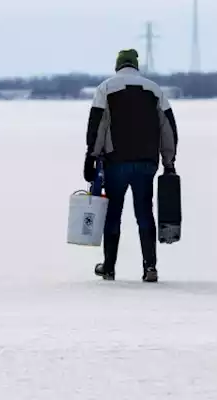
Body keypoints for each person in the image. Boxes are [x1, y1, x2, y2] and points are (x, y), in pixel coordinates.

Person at [83, 49, 179, 283]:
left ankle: (109, 267)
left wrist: (91, 155)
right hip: (147, 162)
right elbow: (168, 129)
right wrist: (169, 163)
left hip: (116, 161)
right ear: (136, 66)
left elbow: (98, 124)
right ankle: (150, 267)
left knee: (113, 213)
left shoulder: (106, 88)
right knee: (145, 213)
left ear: (118, 66)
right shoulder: (154, 89)